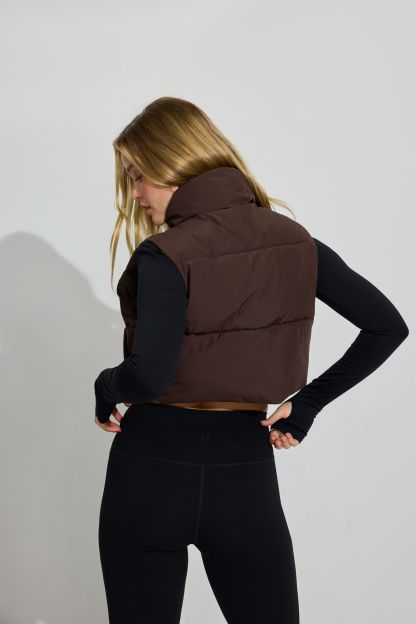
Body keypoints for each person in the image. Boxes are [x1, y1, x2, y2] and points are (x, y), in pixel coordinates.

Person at [94, 97, 409, 624]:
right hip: (243, 470)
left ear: (173, 164)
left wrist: (105, 386)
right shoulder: (296, 243)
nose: (136, 194)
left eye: (137, 176)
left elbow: (148, 375)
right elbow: (386, 326)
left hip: (149, 471)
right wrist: (306, 405)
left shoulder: (165, 253)